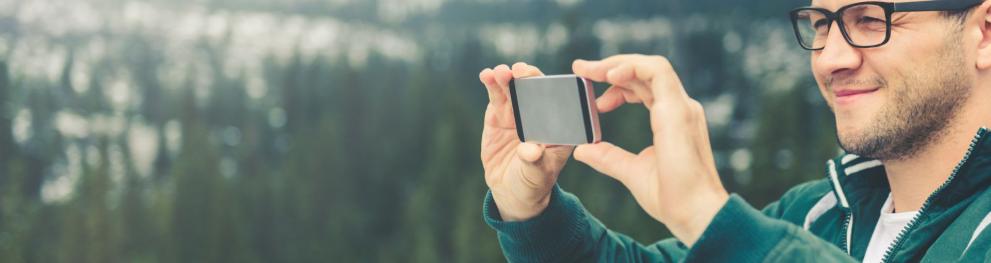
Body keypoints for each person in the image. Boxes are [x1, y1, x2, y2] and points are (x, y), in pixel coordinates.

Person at [477, 0, 991, 262]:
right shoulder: (817, 214)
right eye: (820, 24)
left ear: (983, 32)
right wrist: (532, 212)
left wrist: (708, 213)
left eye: (871, 20)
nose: (832, 58)